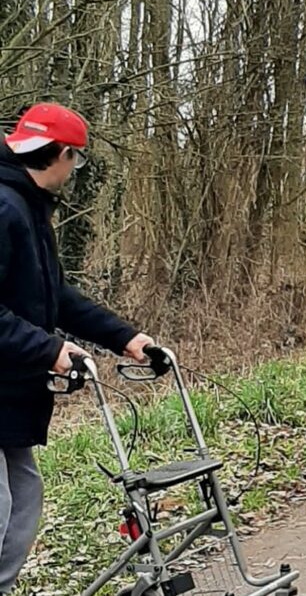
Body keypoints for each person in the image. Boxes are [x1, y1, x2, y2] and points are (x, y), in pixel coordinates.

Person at [0, 103, 155, 594]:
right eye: (78, 159)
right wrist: (49, 349)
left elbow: (54, 297)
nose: (75, 169)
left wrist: (125, 337)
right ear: (61, 154)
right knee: (2, 504)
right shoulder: (5, 208)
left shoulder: (27, 204)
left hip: (9, 392)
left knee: (23, 495)